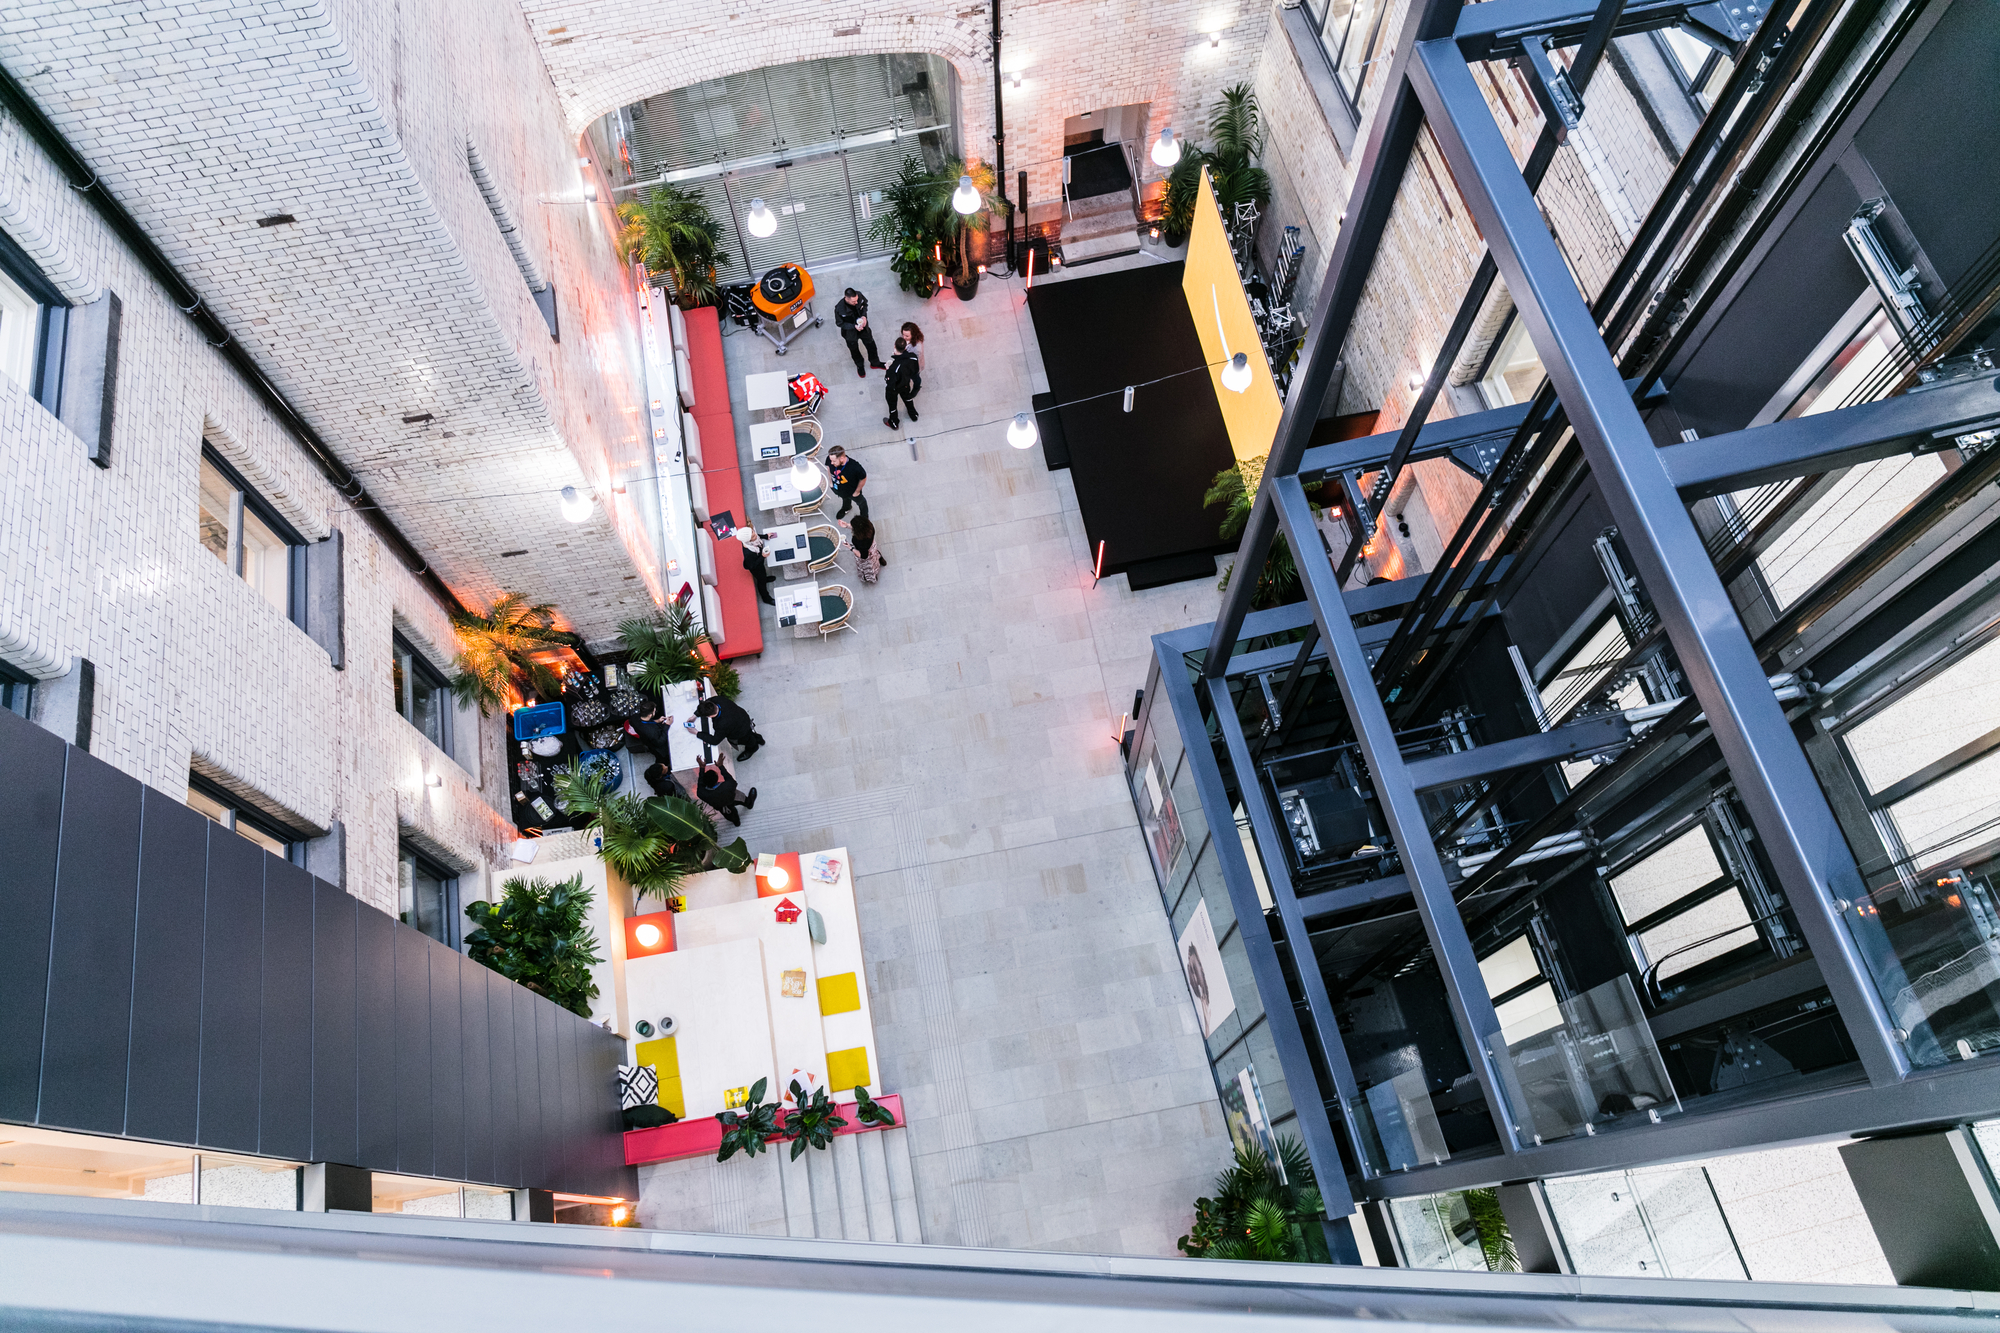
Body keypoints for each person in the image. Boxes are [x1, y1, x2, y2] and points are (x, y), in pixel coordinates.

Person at [694, 694, 765, 760]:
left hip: (740, 732)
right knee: (749, 733)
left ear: (709, 716)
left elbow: (715, 740)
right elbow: (707, 702)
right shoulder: (718, 700)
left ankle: (753, 748)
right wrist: (695, 715)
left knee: (748, 739)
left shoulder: (721, 724)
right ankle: (759, 738)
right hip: (743, 717)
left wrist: (696, 733)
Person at [833, 288, 883, 378]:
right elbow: (839, 323)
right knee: (854, 350)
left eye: (856, 300)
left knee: (871, 344)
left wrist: (864, 316)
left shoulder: (859, 295)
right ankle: (860, 366)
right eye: (853, 301)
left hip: (863, 328)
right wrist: (853, 327)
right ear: (846, 298)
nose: (856, 302)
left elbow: (865, 304)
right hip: (850, 334)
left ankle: (875, 362)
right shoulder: (839, 308)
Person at [696, 761, 757, 826]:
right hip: (733, 798)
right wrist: (721, 766)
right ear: (717, 778)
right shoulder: (727, 785)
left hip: (721, 806)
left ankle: (736, 822)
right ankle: (749, 804)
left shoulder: (702, 793)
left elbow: (700, 784)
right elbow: (732, 781)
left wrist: (702, 768)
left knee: (729, 815)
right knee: (743, 799)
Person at [883, 336, 921, 430]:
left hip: (894, 388)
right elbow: (915, 371)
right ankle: (913, 415)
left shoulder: (894, 367)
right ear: (905, 348)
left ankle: (894, 422)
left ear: (894, 346)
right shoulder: (913, 357)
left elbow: (889, 381)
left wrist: (888, 370)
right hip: (905, 385)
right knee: (907, 398)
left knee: (892, 405)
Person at [825, 445, 869, 521]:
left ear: (841, 458)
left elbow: (863, 477)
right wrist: (830, 481)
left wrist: (857, 491)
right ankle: (847, 507)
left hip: (852, 491)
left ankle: (864, 518)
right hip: (839, 488)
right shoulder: (830, 460)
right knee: (845, 498)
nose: (831, 463)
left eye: (834, 461)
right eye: (831, 460)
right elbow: (828, 467)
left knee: (861, 502)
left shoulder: (855, 467)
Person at [737, 529, 778, 605]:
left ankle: (765, 578)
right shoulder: (748, 553)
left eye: (753, 532)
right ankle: (766, 598)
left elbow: (757, 535)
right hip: (756, 568)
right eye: (752, 536)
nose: (755, 535)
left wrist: (765, 536)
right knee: (761, 581)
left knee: (764, 573)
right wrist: (762, 556)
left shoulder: (752, 539)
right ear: (748, 540)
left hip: (759, 563)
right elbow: (752, 566)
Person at [849, 514, 887, 585]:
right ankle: (880, 559)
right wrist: (847, 525)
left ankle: (871, 577)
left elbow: (863, 555)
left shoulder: (856, 540)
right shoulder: (870, 528)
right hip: (872, 547)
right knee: (875, 555)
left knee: (868, 567)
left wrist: (850, 548)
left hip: (866, 555)